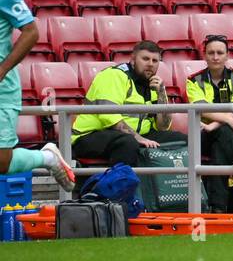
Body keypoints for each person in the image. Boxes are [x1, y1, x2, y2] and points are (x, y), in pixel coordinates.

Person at [0, 0, 75, 190]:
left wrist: (3, 69)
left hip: (2, 89)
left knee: (2, 162)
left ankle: (48, 158)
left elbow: (31, 31)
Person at [71, 40, 186, 169]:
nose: (150, 64)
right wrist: (139, 138)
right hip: (89, 136)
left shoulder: (153, 84)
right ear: (132, 59)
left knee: (181, 139)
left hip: (132, 135)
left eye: (155, 61)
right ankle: (120, 186)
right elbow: (109, 116)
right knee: (127, 142)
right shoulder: (113, 75)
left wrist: (161, 93)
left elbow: (163, 127)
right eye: (145, 59)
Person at [186, 35, 233, 213]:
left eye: (220, 53)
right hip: (205, 135)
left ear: (227, 56)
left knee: (219, 149)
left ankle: (218, 207)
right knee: (224, 135)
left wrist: (215, 124)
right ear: (204, 55)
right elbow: (201, 109)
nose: (215, 57)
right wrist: (226, 120)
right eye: (211, 52)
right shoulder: (193, 80)